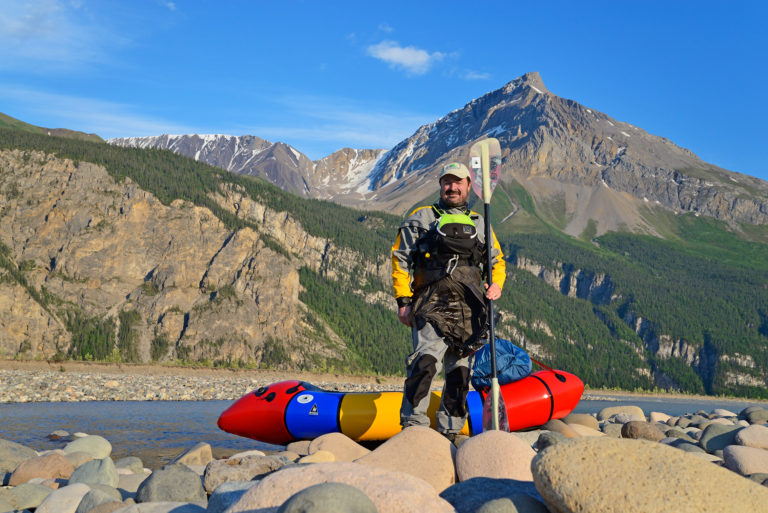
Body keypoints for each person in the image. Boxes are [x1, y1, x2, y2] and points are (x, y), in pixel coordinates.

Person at [391, 161, 506, 442]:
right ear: (440, 185)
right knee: (425, 363)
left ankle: (451, 429)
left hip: (470, 308)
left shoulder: (481, 223)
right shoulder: (421, 218)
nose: (451, 187)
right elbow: (400, 259)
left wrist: (497, 285)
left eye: (458, 182)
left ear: (469, 185)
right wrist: (403, 300)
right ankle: (414, 426)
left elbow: (496, 261)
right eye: (447, 182)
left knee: (460, 371)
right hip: (429, 303)